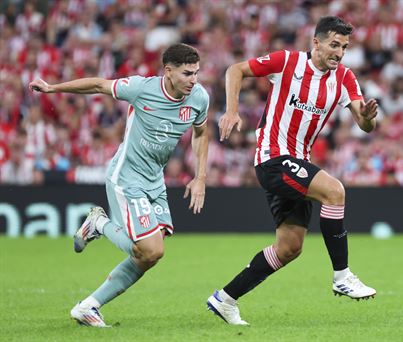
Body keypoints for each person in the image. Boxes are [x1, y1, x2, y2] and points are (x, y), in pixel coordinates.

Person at [207, 16, 378, 325]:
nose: (339, 53)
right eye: (334, 45)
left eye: (345, 47)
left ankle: (225, 298)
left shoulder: (345, 78)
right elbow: (236, 70)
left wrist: (367, 117)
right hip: (273, 158)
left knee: (289, 248)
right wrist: (231, 110)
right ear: (317, 42)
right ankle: (342, 275)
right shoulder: (288, 62)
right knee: (334, 191)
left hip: (298, 163)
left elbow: (365, 125)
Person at [29, 43, 210, 327]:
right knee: (151, 250)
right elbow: (99, 85)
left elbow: (201, 133)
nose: (194, 80)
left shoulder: (199, 98)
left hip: (155, 180)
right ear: (169, 71)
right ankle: (99, 223)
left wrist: (200, 177)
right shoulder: (141, 88)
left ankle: (88, 307)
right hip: (126, 177)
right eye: (188, 73)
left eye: (197, 73)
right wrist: (53, 88)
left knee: (149, 255)